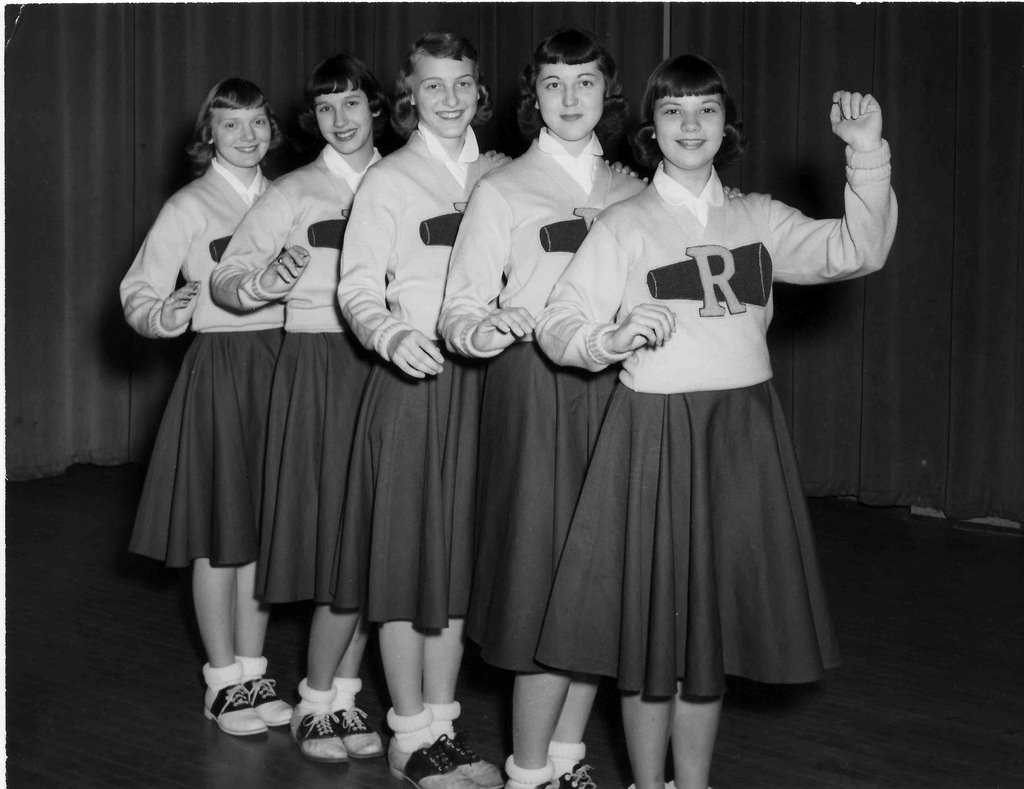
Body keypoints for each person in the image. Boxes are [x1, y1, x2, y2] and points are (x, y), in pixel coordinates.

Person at [534, 54, 897, 789]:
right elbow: (560, 322)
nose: (690, 124)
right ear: (650, 127)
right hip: (655, 436)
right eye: (673, 111)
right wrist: (606, 339)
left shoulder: (758, 217)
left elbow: (857, 250)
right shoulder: (624, 223)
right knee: (652, 634)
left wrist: (866, 155)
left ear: (727, 125)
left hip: (741, 435)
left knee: (708, 633)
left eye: (705, 109)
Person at [439, 28, 643, 789]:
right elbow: (461, 304)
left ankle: (565, 757)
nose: (569, 99)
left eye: (584, 83)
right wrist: (480, 326)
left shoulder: (633, 191)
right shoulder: (503, 190)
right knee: (539, 579)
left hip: (619, 393)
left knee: (597, 579)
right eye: (553, 85)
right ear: (533, 99)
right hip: (534, 393)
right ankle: (528, 771)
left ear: (607, 95)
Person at [336, 30, 505, 789]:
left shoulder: (505, 174)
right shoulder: (389, 180)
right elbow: (357, 288)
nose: (448, 98)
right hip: (412, 384)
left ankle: (442, 721)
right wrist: (391, 333)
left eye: (461, 83)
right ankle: (408, 732)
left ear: (479, 91)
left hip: (487, 389)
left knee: (459, 563)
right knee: (407, 562)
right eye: (432, 85)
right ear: (409, 95)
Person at [208, 53, 386, 763]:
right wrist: (264, 284)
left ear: (379, 107)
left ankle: (343, 691)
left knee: (380, 535)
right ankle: (316, 698)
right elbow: (227, 278)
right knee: (334, 535)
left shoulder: (403, 180)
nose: (341, 120)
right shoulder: (291, 192)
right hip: (318, 365)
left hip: (391, 364)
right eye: (326, 108)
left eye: (354, 104)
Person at [120, 78, 292, 737]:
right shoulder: (189, 205)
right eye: (230, 126)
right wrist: (162, 312)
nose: (246, 137)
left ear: (272, 131)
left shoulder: (288, 197)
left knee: (260, 530)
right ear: (208, 136)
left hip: (284, 368)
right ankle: (222, 681)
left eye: (256, 124)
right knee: (218, 536)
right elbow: (139, 290)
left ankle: (253, 667)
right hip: (222, 369)